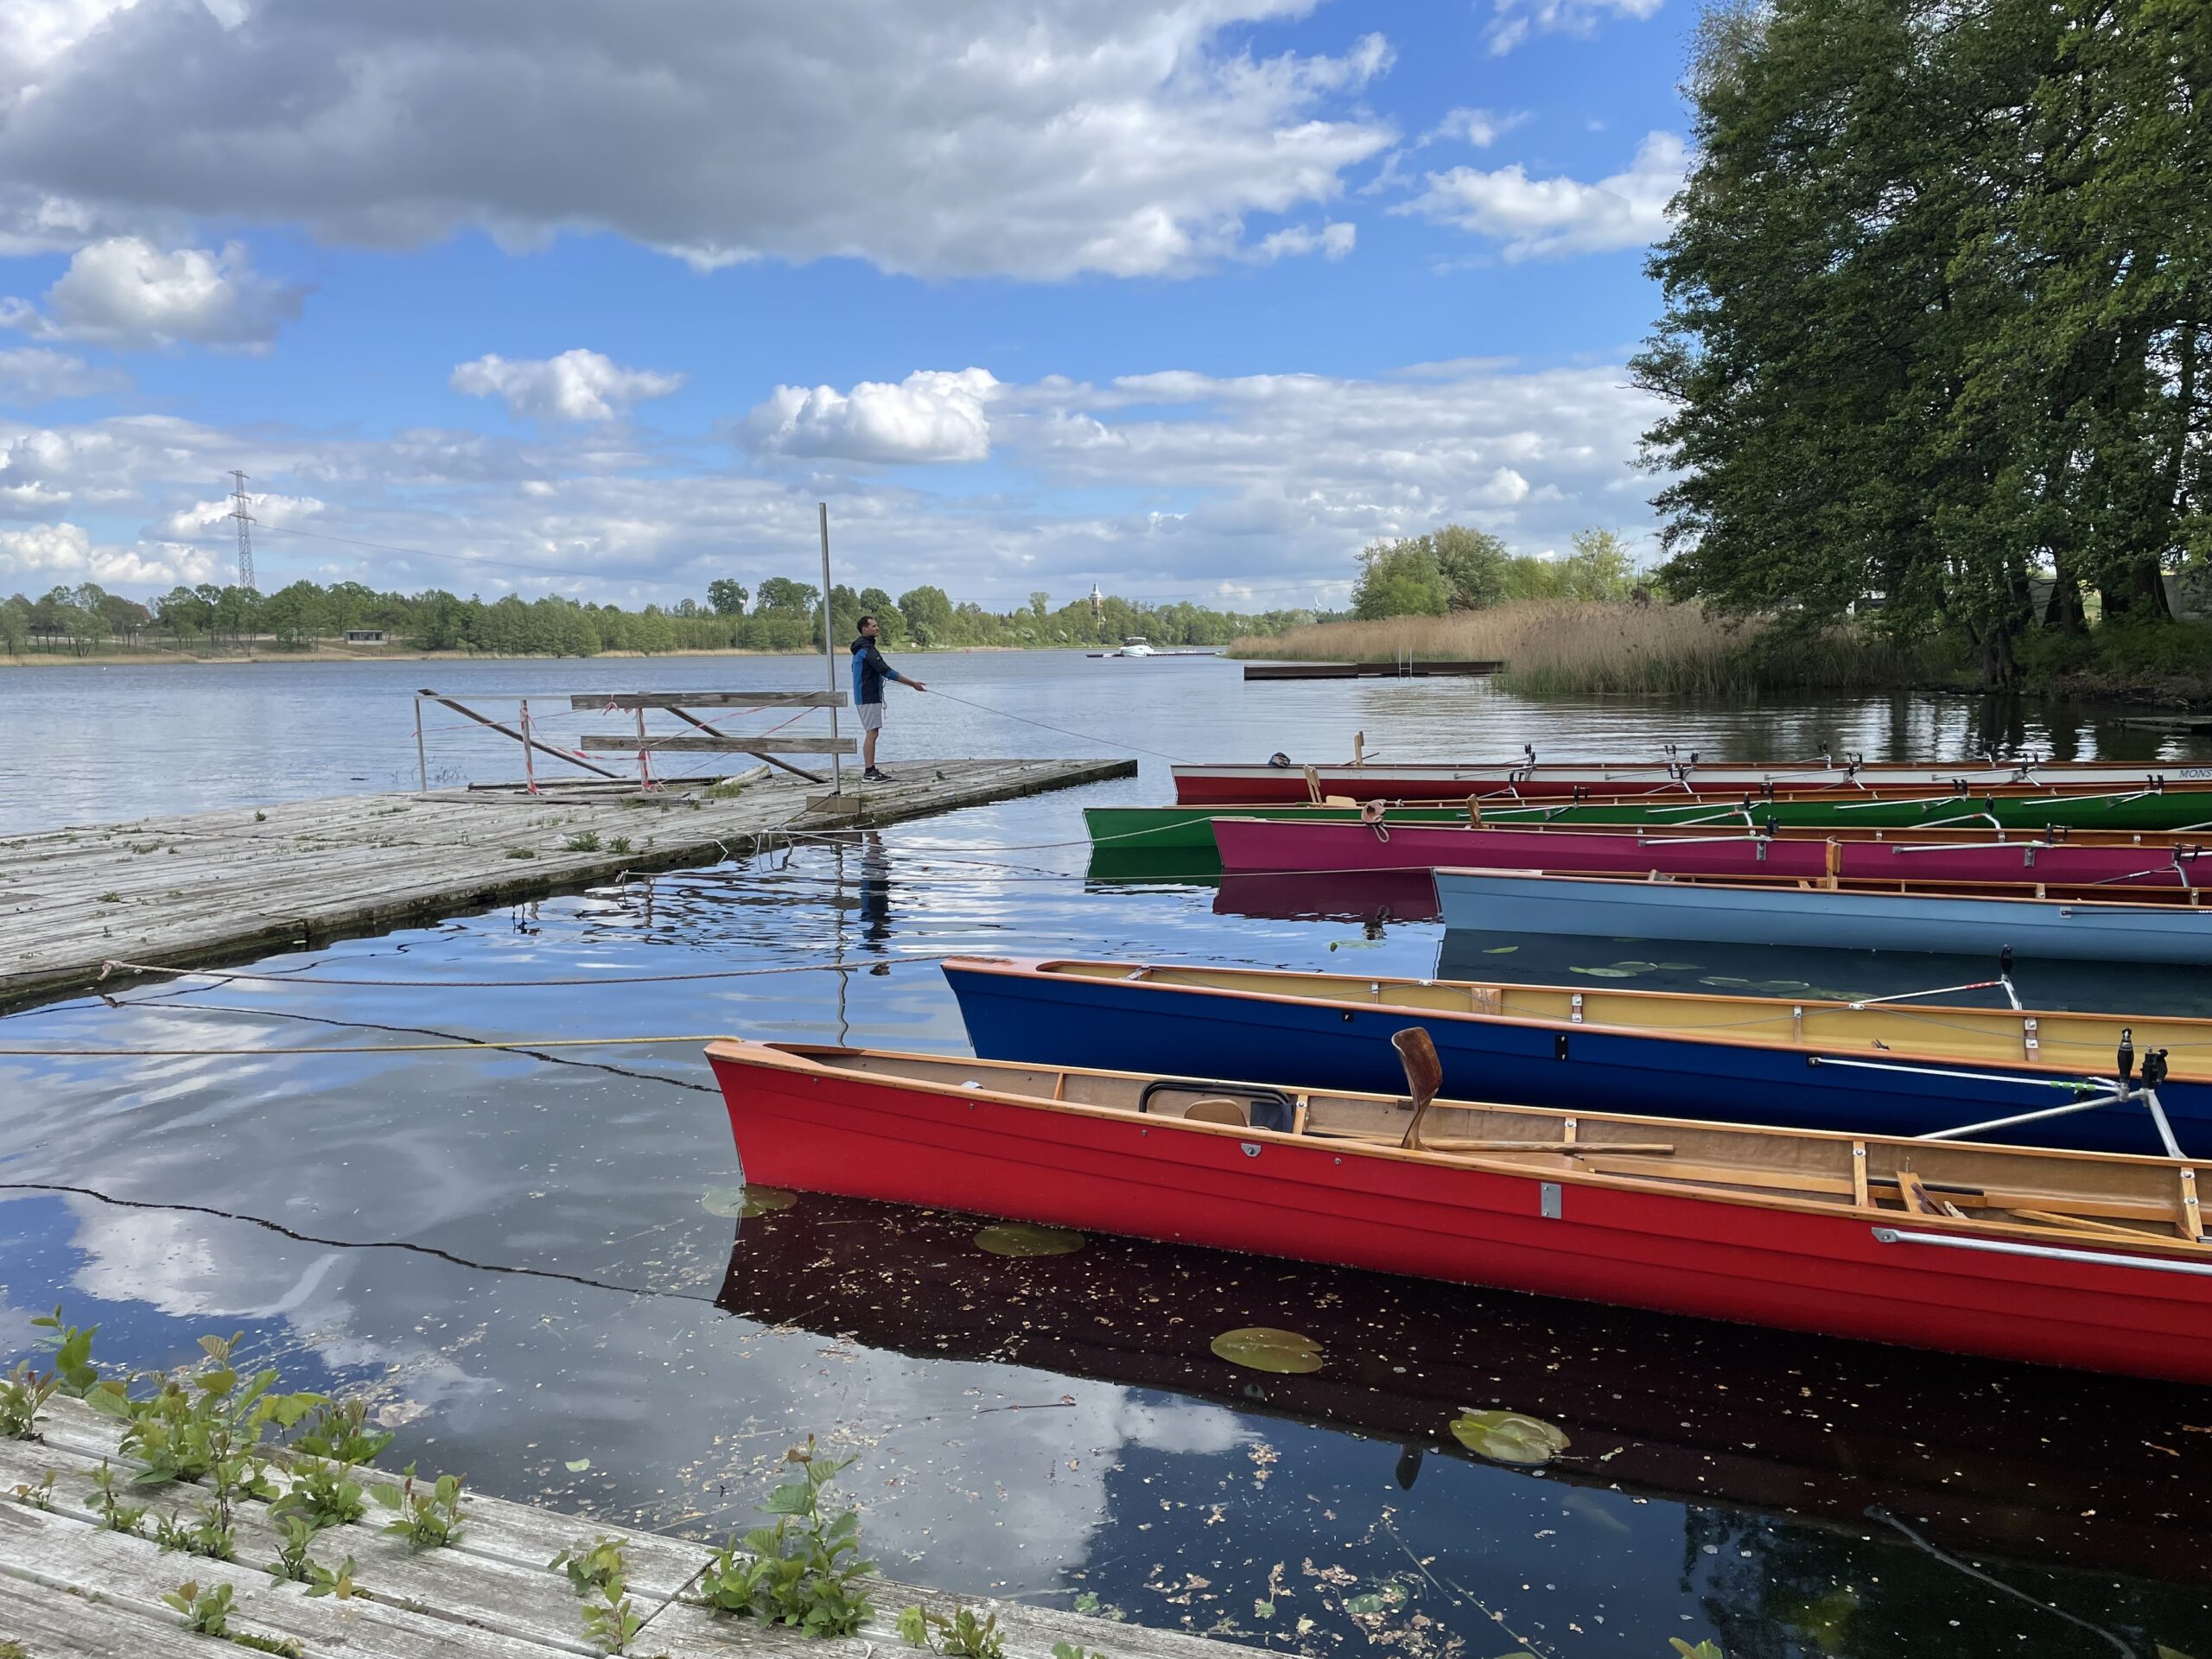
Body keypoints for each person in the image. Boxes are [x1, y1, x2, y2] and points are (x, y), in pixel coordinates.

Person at [849, 614, 925, 781]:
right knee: (872, 733)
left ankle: (871, 770)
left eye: (877, 625)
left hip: (868, 695)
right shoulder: (866, 650)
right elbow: (887, 671)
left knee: (873, 732)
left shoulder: (864, 648)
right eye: (874, 626)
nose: (877, 628)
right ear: (865, 629)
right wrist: (913, 684)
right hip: (867, 696)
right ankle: (869, 772)